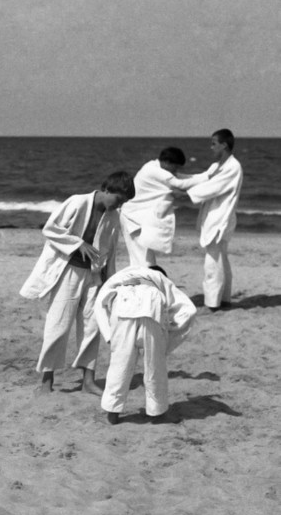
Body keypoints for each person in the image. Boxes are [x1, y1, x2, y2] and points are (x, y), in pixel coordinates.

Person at [19, 171, 136, 396]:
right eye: (119, 199)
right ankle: (47, 380)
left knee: (93, 327)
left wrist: (109, 282)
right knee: (58, 325)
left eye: (123, 203)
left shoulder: (113, 217)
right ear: (108, 190)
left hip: (94, 276)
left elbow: (110, 252)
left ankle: (88, 380)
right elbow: (50, 228)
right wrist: (77, 243)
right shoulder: (77, 202)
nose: (119, 205)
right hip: (68, 271)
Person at [95, 265, 197, 425]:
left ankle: (112, 413)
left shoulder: (123, 274)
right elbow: (189, 310)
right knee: (155, 366)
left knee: (119, 365)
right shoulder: (160, 278)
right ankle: (157, 413)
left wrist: (109, 335)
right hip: (153, 306)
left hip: (123, 304)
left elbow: (100, 303)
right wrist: (168, 333)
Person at [120, 146, 210, 267]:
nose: (176, 171)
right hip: (132, 218)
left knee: (142, 257)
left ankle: (142, 282)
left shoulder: (157, 168)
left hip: (137, 217)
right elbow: (180, 183)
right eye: (176, 167)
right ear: (167, 162)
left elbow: (180, 177)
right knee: (142, 258)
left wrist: (206, 176)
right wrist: (208, 176)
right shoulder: (153, 170)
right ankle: (142, 282)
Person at [186, 129, 243, 311]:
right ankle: (224, 299)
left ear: (224, 144)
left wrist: (182, 193)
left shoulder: (233, 167)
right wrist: (175, 180)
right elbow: (201, 179)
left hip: (221, 218)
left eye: (213, 143)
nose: (211, 147)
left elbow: (211, 187)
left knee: (212, 261)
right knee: (220, 259)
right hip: (214, 217)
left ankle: (213, 304)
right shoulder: (216, 165)